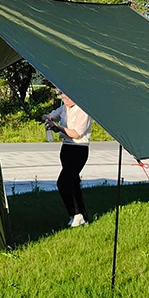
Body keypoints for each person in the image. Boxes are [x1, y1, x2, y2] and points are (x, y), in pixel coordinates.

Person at [43, 91, 92, 227]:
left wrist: (58, 128)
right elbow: (52, 115)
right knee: (74, 182)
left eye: (67, 98)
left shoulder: (83, 111)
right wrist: (48, 119)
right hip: (66, 148)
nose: (64, 101)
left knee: (63, 182)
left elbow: (76, 134)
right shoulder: (65, 107)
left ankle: (76, 214)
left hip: (79, 149)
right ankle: (80, 216)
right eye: (63, 98)